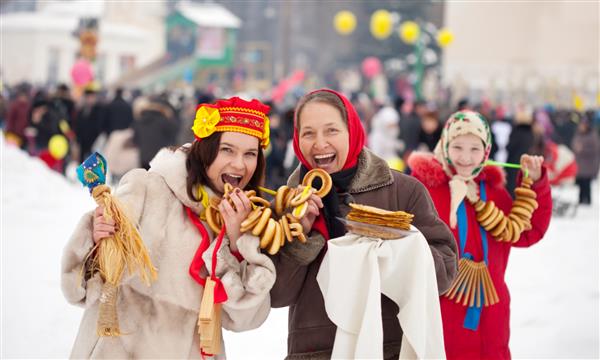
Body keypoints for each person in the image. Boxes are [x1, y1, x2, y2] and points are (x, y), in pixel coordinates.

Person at [61, 97, 276, 358]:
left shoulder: (248, 221)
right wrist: (98, 240)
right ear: (205, 147)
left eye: (250, 154)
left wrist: (237, 239)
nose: (240, 164)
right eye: (227, 150)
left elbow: (245, 320)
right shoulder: (147, 189)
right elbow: (81, 289)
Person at [269, 88, 457, 359]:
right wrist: (302, 235)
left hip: (387, 349)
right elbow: (278, 295)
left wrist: (394, 252)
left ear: (352, 130)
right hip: (314, 352)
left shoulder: (403, 191)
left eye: (331, 130)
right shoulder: (288, 202)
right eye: (308, 133)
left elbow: (445, 272)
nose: (319, 143)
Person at [408, 110, 552, 359]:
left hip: (490, 316)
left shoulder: (493, 193)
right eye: (458, 147)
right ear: (445, 145)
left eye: (475, 149)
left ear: (486, 152)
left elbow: (527, 232)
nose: (466, 157)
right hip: (438, 316)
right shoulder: (423, 190)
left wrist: (536, 184)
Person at [571, 117, 600, 205]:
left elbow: (595, 149)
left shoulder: (592, 136)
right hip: (580, 163)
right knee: (580, 183)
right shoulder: (578, 134)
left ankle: (587, 200)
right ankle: (580, 199)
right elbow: (574, 144)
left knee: (587, 183)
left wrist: (582, 149)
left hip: (589, 164)